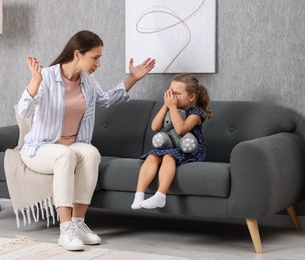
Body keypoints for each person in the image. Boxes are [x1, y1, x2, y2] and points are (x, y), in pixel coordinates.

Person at [17, 30, 155, 251]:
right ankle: (65, 229)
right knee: (65, 154)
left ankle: (79, 223)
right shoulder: (47, 77)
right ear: (78, 55)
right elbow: (24, 111)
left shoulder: (87, 81)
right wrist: (34, 83)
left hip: (72, 144)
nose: (99, 63)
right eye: (95, 57)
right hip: (41, 147)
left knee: (91, 152)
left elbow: (107, 100)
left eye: (99, 57)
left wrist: (132, 79)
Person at [131, 74, 211, 210]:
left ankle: (160, 195)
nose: (172, 97)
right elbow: (155, 127)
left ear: (191, 97)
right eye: (170, 92)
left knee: (168, 156)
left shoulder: (195, 114)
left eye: (177, 94)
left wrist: (172, 108)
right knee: (152, 156)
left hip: (188, 150)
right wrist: (165, 106)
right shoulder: (169, 107)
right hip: (170, 146)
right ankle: (139, 195)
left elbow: (180, 130)